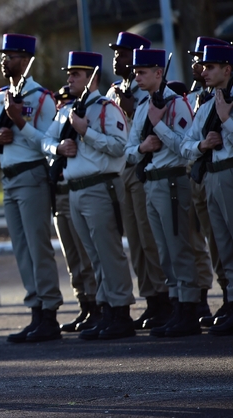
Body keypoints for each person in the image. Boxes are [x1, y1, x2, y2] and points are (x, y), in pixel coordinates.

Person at [43, 51, 136, 341]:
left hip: (100, 185)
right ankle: (106, 310)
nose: (69, 79)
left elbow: (120, 146)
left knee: (108, 252)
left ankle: (121, 311)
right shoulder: (67, 110)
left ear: (92, 78)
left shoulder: (106, 108)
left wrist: (86, 133)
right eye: (69, 74)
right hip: (75, 189)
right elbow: (44, 140)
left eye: (76, 75)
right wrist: (57, 150)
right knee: (94, 255)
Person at [0, 33, 63, 343]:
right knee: (22, 249)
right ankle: (35, 310)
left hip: (32, 176)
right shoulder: (1, 96)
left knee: (38, 247)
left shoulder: (41, 98)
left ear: (26, 60)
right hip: (10, 178)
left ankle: (50, 313)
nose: (4, 60)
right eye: (3, 55)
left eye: (10, 55)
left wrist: (20, 122)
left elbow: (48, 143)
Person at [126, 49, 199, 337]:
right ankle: (175, 306)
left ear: (159, 73)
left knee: (178, 247)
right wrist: (143, 148)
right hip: (151, 182)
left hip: (171, 181)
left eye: (143, 72)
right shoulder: (143, 106)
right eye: (136, 72)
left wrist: (159, 125)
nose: (137, 76)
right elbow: (129, 150)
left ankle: (189, 309)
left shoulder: (175, 104)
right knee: (164, 251)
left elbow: (185, 145)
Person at [106, 32, 169, 330]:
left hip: (145, 165)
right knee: (135, 239)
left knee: (149, 236)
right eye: (116, 53)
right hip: (123, 167)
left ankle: (163, 297)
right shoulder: (113, 91)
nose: (117, 58)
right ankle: (150, 297)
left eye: (123, 53)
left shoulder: (148, 90)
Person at [180, 45, 233, 336]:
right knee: (223, 246)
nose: (204, 71)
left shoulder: (224, 105)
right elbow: (185, 146)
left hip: (230, 172)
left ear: (227, 69)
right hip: (211, 175)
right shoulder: (206, 106)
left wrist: (227, 120)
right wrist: (202, 146)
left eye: (211, 67)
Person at [50, 85, 98, 333]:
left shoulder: (73, 125)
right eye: (59, 102)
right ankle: (84, 304)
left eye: (66, 102)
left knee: (83, 253)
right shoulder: (56, 126)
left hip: (72, 193)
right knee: (72, 257)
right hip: (57, 195)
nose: (61, 106)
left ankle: (95, 303)